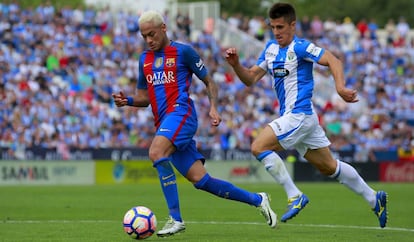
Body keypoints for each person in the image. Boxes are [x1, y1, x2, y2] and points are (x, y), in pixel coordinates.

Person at [112, 10, 277, 237]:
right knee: (201, 180)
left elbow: (209, 81)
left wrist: (214, 107)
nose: (149, 40)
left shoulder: (184, 52)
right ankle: (258, 199)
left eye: (152, 34)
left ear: (163, 28)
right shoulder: (144, 60)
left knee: (156, 151)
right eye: (144, 37)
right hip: (164, 122)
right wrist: (128, 100)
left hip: (182, 114)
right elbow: (146, 97)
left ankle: (175, 218)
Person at [224, 2, 388, 228]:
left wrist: (340, 88)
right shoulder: (270, 49)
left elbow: (333, 60)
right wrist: (236, 66)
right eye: (273, 27)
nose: (276, 32)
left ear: (293, 25)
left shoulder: (300, 47)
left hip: (299, 115)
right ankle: (374, 198)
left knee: (258, 147)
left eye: (281, 27)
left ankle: (294, 195)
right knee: (329, 167)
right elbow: (251, 78)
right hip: (302, 119)